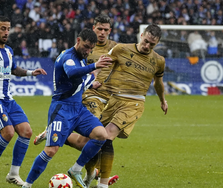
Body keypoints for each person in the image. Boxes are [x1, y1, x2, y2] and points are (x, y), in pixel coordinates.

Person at [34, 14, 119, 187]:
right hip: (83, 98)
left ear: (110, 31)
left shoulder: (115, 49)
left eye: (105, 30)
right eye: (99, 29)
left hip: (103, 98)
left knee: (90, 142)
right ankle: (91, 175)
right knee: (101, 137)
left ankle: (90, 172)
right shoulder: (81, 49)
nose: (102, 33)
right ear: (93, 29)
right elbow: (73, 72)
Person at [0, 16, 47, 188]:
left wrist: (30, 73)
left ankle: (13, 174)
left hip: (8, 100)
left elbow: (14, 70)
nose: (6, 32)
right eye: (3, 28)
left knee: (26, 131)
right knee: (8, 132)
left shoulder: (9, 50)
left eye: (8, 28)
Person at [94, 23, 168, 188]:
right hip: (112, 99)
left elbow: (158, 83)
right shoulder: (121, 49)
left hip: (134, 103)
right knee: (93, 137)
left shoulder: (158, 61)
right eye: (146, 41)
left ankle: (102, 184)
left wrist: (162, 100)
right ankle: (91, 173)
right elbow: (102, 63)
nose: (147, 46)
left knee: (106, 136)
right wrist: (96, 79)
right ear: (141, 35)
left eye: (152, 44)